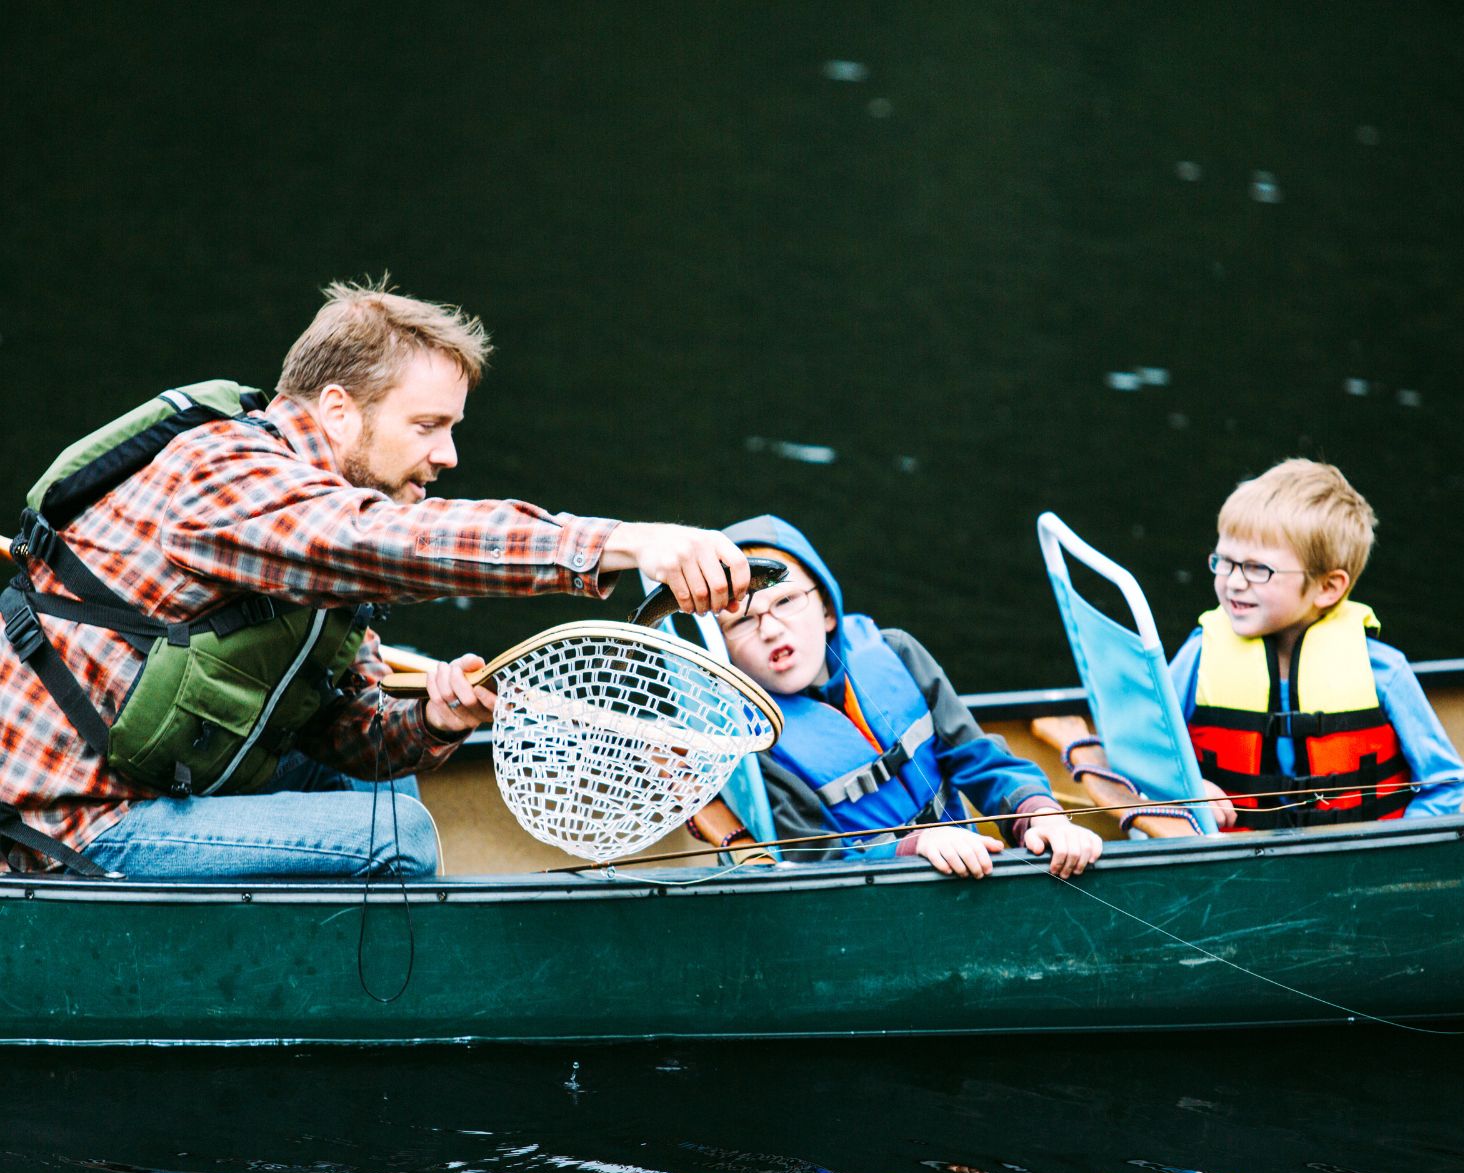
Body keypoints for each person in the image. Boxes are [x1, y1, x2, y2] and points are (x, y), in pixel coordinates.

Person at [0, 280, 755, 877]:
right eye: (428, 426)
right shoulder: (225, 473)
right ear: (336, 410)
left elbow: (345, 732)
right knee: (398, 836)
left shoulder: (323, 518)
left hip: (169, 774)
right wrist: (622, 543)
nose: (449, 454)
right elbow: (391, 543)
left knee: (384, 792)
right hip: (79, 822)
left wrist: (433, 723)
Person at [712, 515, 1102, 878]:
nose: (771, 630)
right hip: (870, 906)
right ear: (726, 650)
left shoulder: (897, 652)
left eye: (785, 601)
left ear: (827, 609)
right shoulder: (752, 740)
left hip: (973, 870)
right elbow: (815, 860)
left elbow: (979, 757)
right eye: (743, 621)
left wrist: (1038, 813)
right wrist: (916, 846)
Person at [1162, 458, 1464, 830]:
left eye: (1258, 568)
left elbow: (1445, 784)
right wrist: (1190, 789)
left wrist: (1397, 856)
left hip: (1354, 870)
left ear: (1327, 587)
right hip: (1234, 866)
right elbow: (1148, 750)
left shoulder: (1383, 672)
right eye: (1225, 561)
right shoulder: (1199, 656)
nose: (1233, 582)